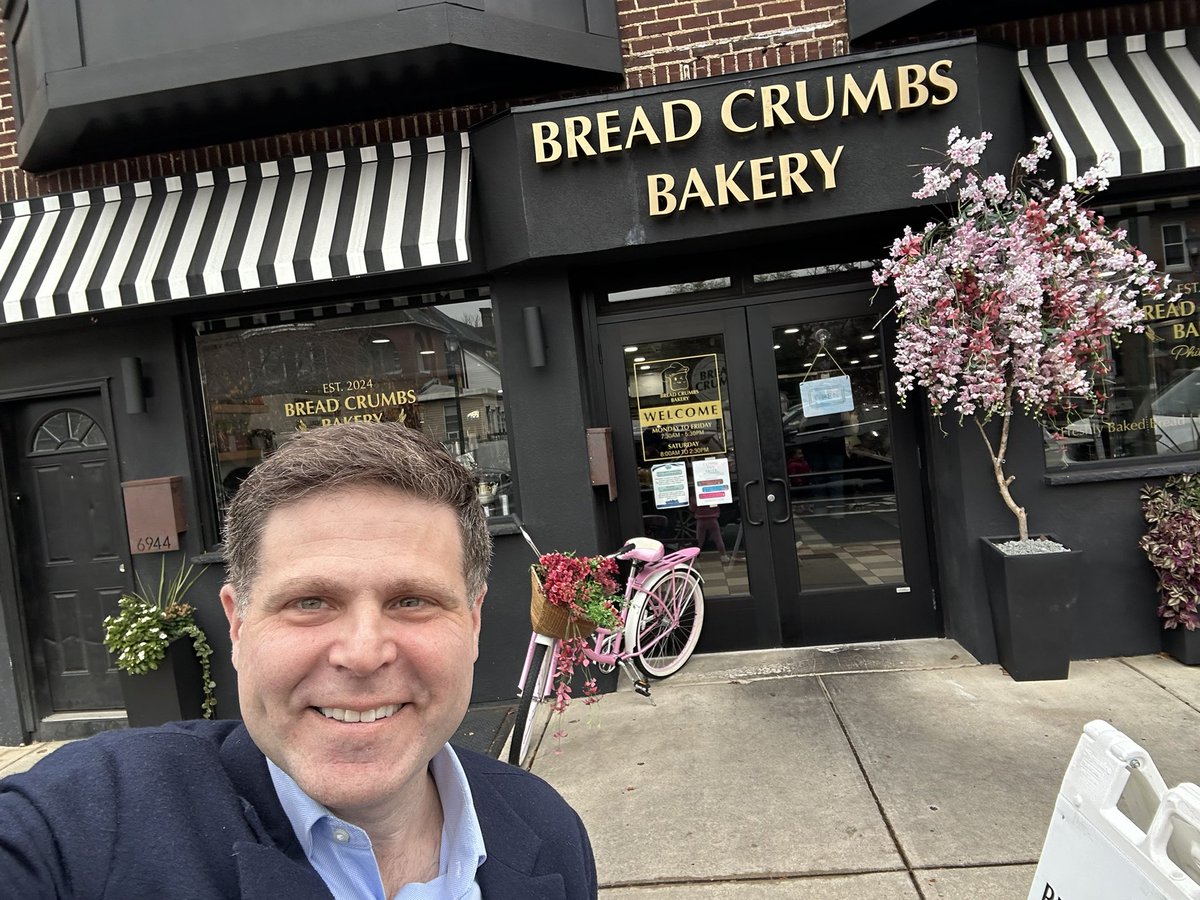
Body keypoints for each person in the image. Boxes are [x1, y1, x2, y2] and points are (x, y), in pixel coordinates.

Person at [0, 421, 597, 899]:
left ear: (473, 620)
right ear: (237, 623)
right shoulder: (87, 824)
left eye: (412, 601)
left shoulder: (547, 828)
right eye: (309, 602)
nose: (363, 654)